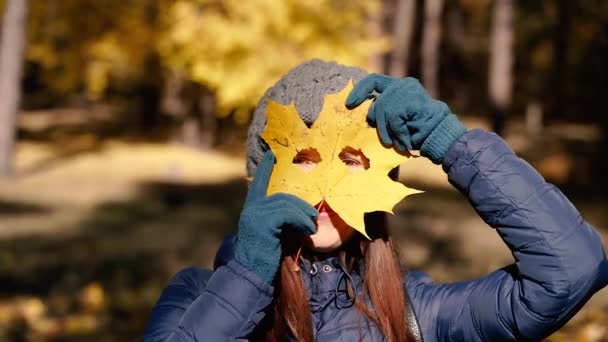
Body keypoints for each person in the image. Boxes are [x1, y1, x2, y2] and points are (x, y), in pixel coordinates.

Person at [142, 59, 608, 342]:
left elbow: (572, 271)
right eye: (303, 158)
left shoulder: (414, 317)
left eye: (348, 159)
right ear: (259, 176)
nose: (324, 188)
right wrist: (246, 275)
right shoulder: (195, 298)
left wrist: (451, 143)